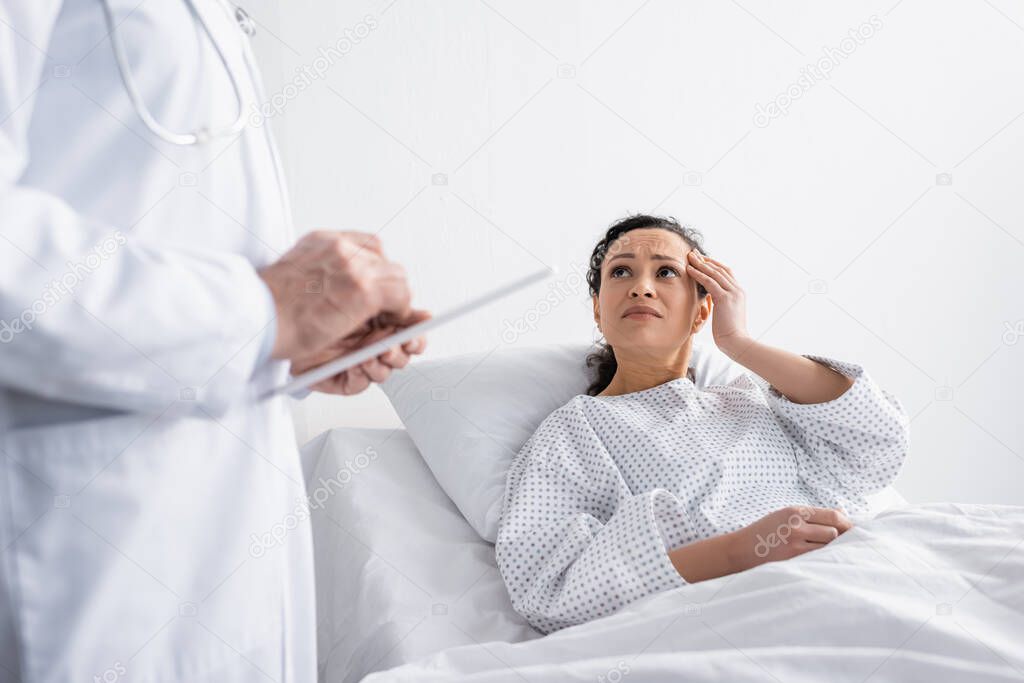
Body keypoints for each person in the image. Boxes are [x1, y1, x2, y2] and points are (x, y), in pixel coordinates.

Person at [0, 3, 426, 680]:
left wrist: (279, 347)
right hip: (83, 562)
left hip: (223, 548)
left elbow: (149, 211)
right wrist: (259, 311)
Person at [495, 215, 910, 634]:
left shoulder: (751, 400)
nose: (641, 286)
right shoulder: (575, 431)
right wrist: (740, 551)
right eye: (621, 271)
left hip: (868, 573)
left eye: (666, 272)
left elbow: (878, 440)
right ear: (599, 311)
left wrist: (738, 343)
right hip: (750, 614)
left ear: (702, 310)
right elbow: (549, 590)